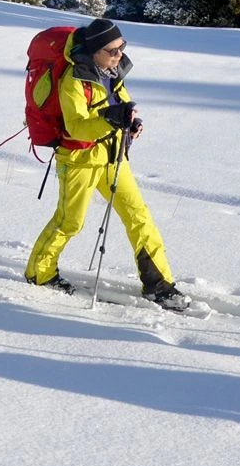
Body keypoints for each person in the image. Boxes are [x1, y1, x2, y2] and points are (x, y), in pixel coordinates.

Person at [23, 19, 190, 311]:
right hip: (78, 160)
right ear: (94, 51)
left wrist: (130, 122)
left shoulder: (114, 72)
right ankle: (40, 273)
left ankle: (158, 284)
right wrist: (110, 119)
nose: (119, 55)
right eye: (112, 50)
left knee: (138, 216)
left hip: (112, 156)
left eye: (122, 47)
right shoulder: (74, 80)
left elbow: (121, 103)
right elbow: (76, 127)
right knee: (70, 222)